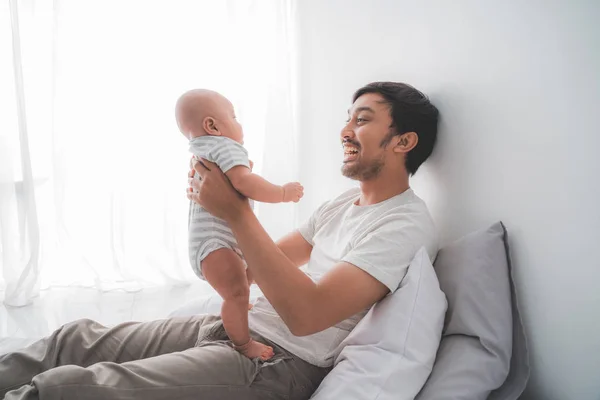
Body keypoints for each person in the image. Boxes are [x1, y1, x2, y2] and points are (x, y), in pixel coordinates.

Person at [0, 81, 439, 400]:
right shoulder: (342, 205)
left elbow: (309, 315)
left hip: (277, 362)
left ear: (404, 141)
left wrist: (235, 210)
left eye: (362, 120)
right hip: (235, 327)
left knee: (78, 388)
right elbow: (254, 269)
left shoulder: (404, 223)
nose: (345, 129)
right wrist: (211, 221)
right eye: (347, 117)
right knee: (75, 339)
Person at [176, 89, 304, 361]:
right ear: (213, 125)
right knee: (235, 292)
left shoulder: (202, 150)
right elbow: (245, 183)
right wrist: (282, 193)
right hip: (217, 243)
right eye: (234, 116)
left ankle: (238, 306)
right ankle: (243, 345)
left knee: (237, 288)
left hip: (208, 244)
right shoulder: (225, 146)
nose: (239, 123)